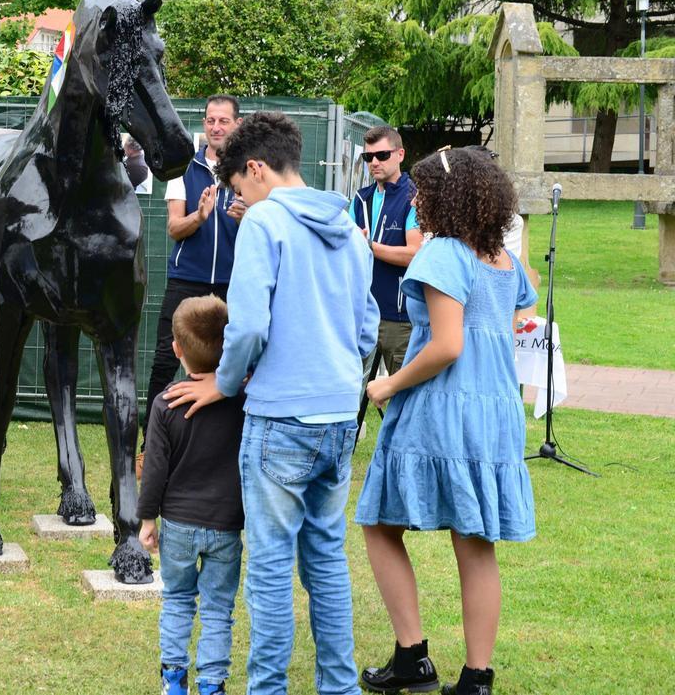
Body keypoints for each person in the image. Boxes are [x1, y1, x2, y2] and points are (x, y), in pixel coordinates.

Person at [165, 111, 378, 695]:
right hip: (339, 417)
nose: (240, 200)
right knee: (327, 561)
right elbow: (365, 330)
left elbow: (250, 325)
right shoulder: (352, 227)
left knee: (269, 569)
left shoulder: (264, 225)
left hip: (281, 419)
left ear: (255, 169)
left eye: (238, 188)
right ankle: (340, 686)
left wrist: (224, 382)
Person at [354, 146, 537, 695]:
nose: (417, 199)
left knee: (380, 524)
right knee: (475, 542)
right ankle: (477, 679)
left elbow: (448, 346)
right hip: (496, 409)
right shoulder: (502, 260)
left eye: (423, 191)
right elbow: (510, 321)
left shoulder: (440, 255)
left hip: (444, 406)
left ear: (445, 197)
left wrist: (386, 383)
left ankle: (412, 658)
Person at [138, 295, 245, 695]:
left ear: (176, 349)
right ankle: (213, 685)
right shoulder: (243, 400)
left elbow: (154, 470)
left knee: (177, 600)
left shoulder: (165, 404)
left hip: (178, 525)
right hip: (226, 525)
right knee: (219, 610)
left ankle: (173, 681)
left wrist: (147, 520)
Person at [142, 95, 245, 470]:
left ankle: (229, 447)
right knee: (165, 360)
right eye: (210, 120)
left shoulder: (249, 170)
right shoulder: (183, 167)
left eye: (223, 120)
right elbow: (173, 227)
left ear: (237, 124)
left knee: (234, 362)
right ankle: (148, 446)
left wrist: (247, 216)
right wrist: (199, 217)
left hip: (234, 284)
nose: (216, 127)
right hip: (187, 280)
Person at [349, 126, 422, 430]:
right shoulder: (361, 198)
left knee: (405, 396)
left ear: (400, 154)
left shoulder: (414, 197)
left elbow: (414, 253)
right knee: (352, 392)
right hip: (363, 312)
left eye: (382, 155)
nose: (374, 162)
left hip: (399, 315)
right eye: (368, 156)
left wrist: (369, 247)